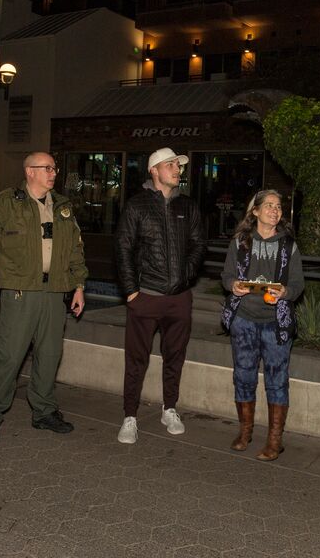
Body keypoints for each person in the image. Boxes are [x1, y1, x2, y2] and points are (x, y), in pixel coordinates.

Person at [0, 151, 87, 444]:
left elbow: (75, 250)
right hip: (21, 292)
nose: (53, 172)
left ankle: (44, 412)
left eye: (54, 168)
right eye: (47, 168)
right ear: (30, 171)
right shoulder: (7, 202)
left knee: (49, 356)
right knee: (10, 356)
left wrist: (78, 285)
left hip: (55, 291)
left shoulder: (62, 206)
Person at [114, 147, 206, 444]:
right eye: (171, 165)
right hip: (146, 297)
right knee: (136, 360)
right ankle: (130, 416)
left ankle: (170, 408)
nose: (177, 169)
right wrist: (131, 292)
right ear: (154, 170)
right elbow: (123, 248)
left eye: (178, 165)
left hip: (179, 298)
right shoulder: (137, 206)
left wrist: (186, 275)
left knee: (174, 357)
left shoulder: (188, 206)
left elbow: (198, 245)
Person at [220, 189, 305, 460]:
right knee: (243, 376)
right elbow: (227, 275)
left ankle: (274, 440)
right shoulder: (240, 242)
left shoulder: (288, 245)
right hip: (243, 320)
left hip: (275, 323)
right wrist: (232, 285)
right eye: (268, 205)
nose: (275, 210)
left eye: (278, 206)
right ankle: (245, 432)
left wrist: (286, 293)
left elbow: (297, 284)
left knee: (277, 381)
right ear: (255, 211)